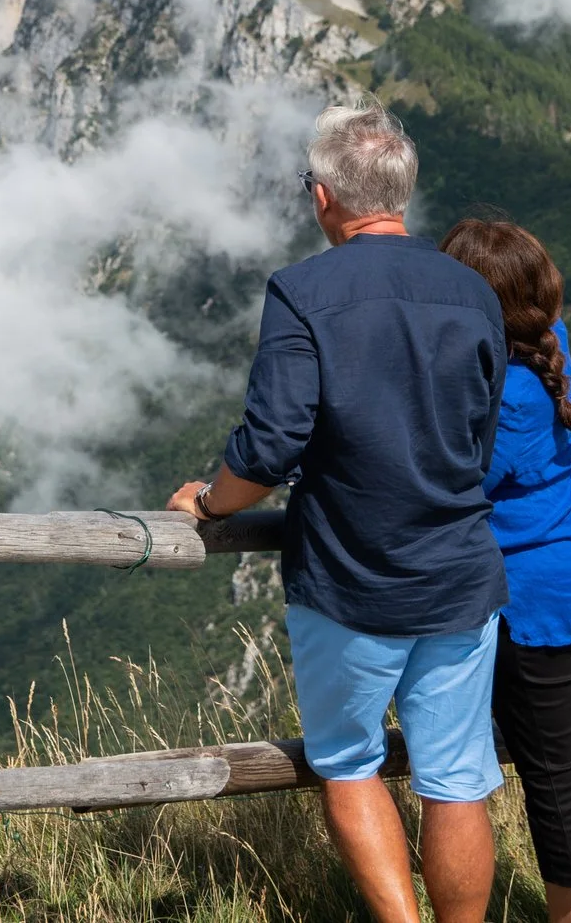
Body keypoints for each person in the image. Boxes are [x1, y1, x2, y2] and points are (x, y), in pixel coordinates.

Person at [166, 106, 510, 923]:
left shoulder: (304, 291)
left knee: (350, 764)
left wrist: (207, 503)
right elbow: (481, 432)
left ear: (322, 195)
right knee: (458, 778)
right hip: (461, 571)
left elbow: (270, 445)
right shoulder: (472, 291)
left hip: (350, 578)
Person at [440, 217, 571, 923]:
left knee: (553, 783)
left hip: (537, 600)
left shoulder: (503, 395)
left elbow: (454, 478)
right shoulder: (554, 349)